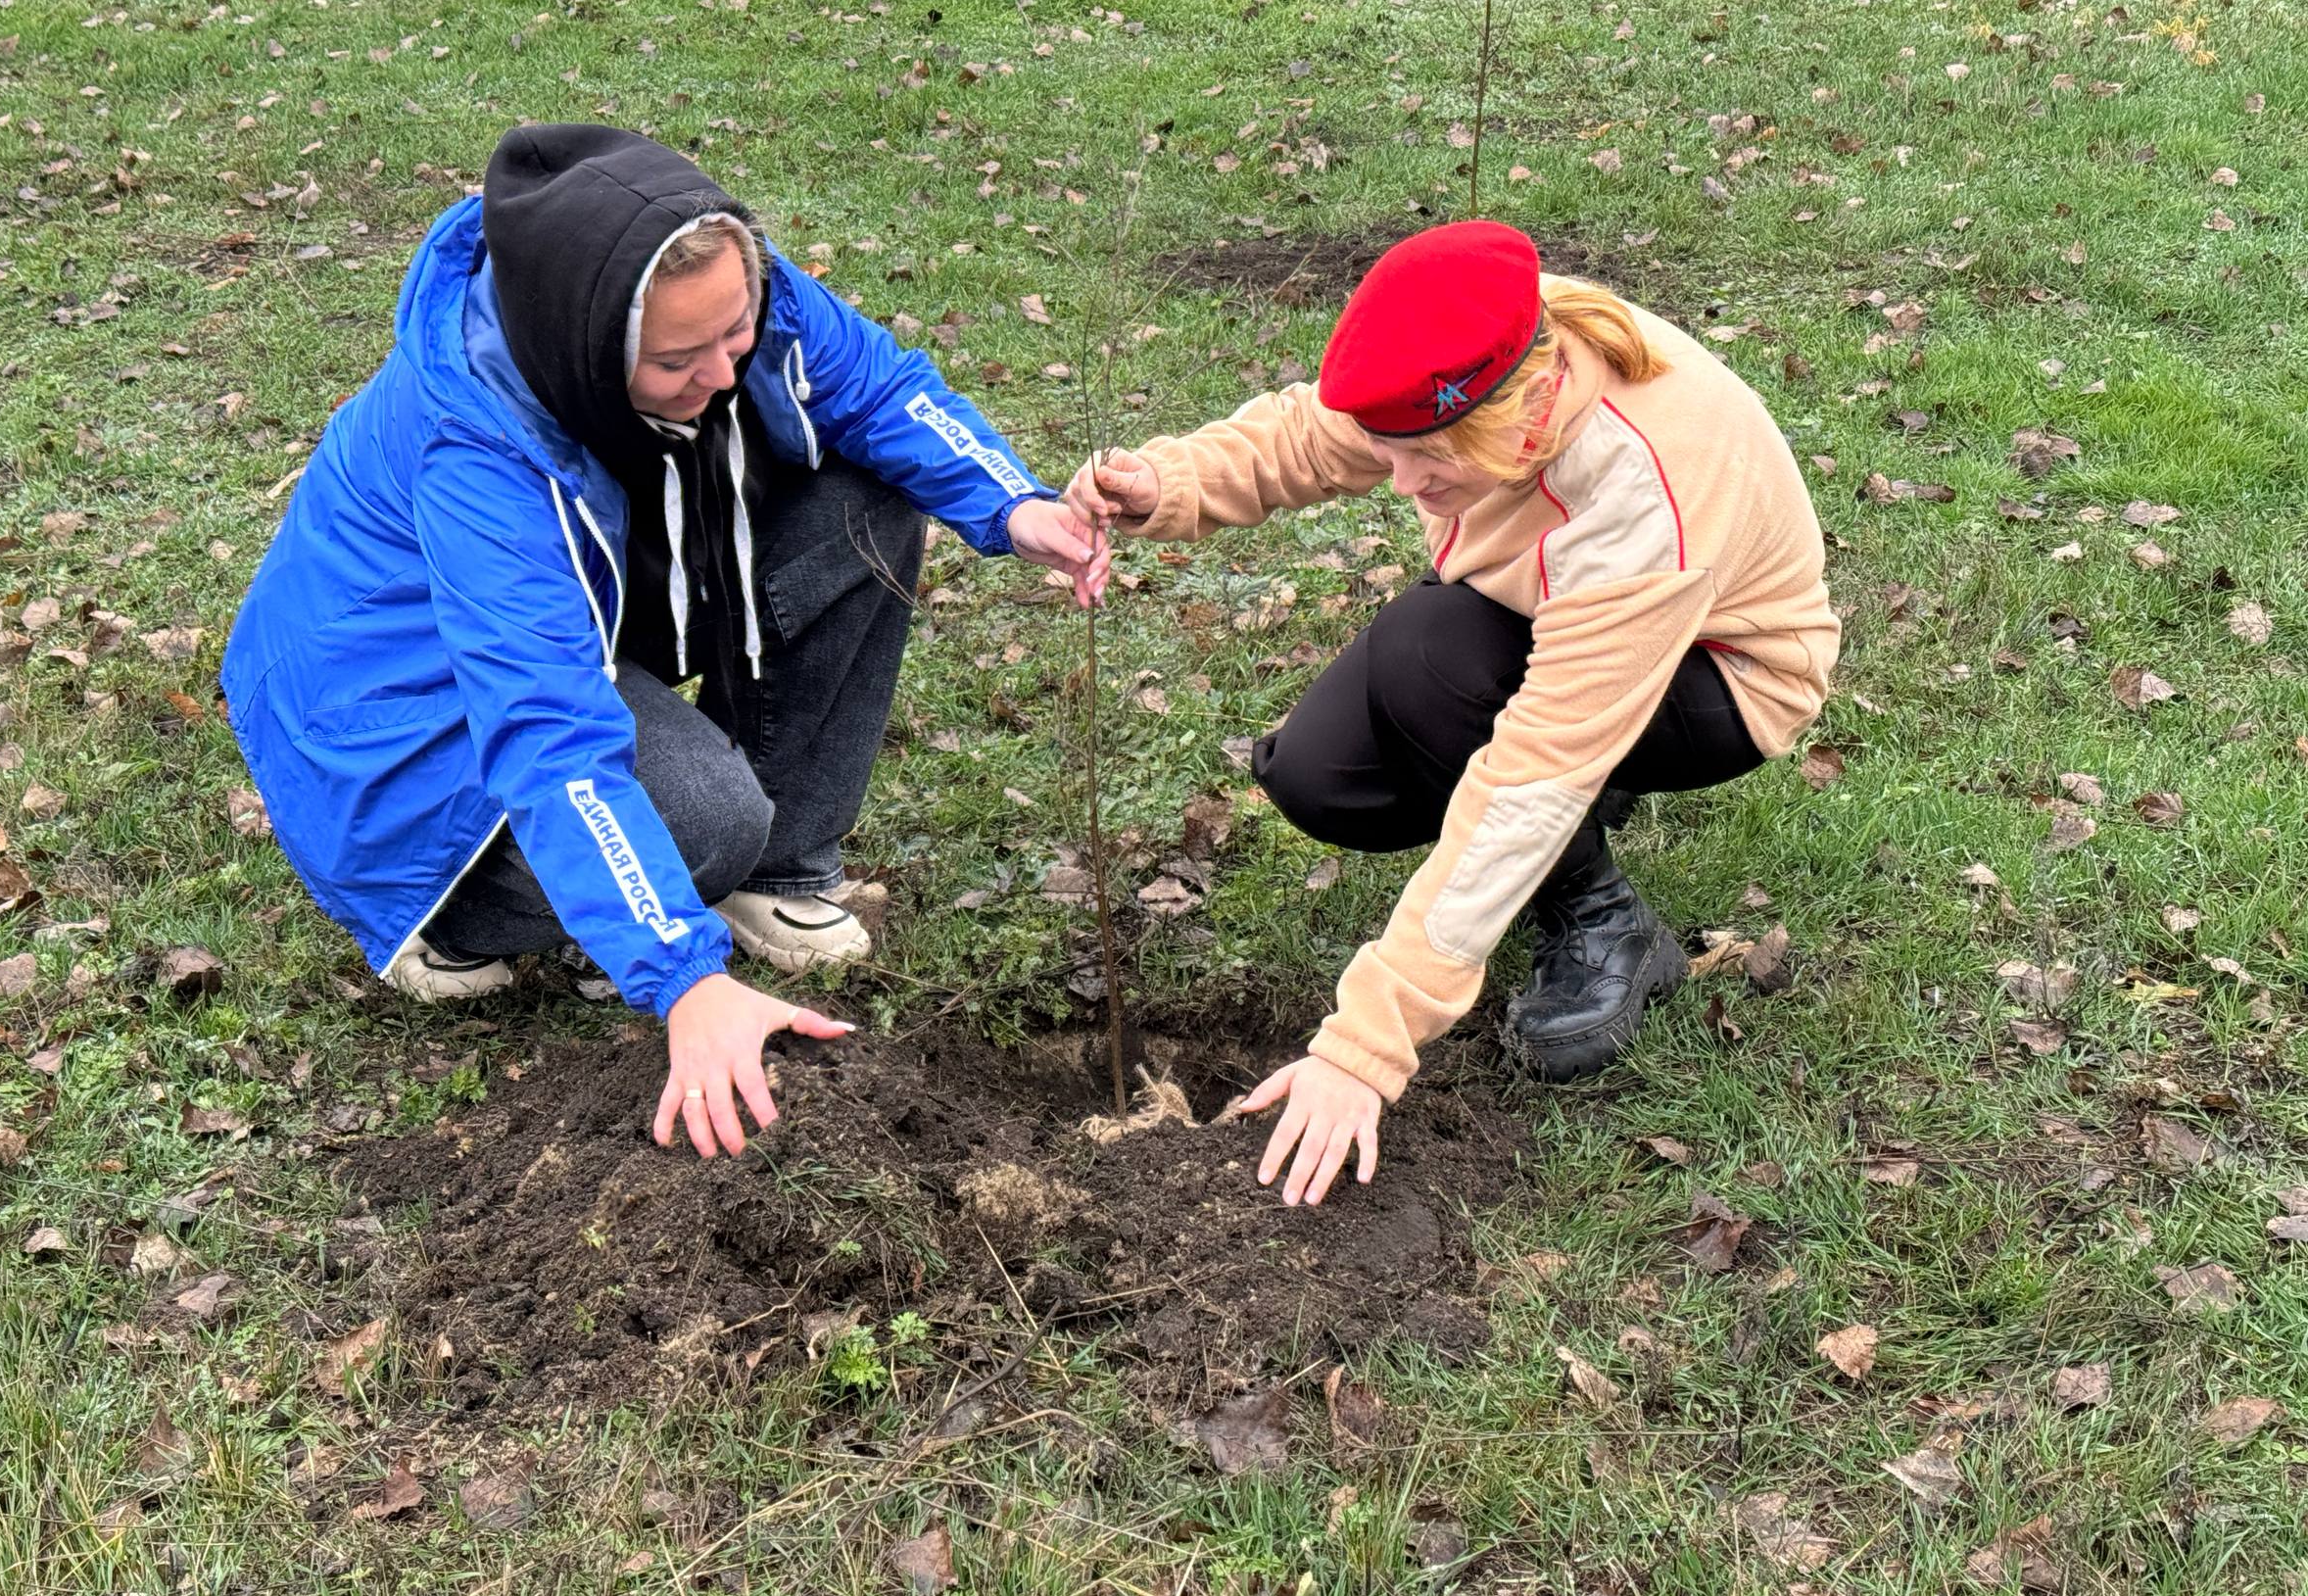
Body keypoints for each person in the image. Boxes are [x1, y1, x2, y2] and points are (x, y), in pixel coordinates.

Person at [222, 125, 1102, 1158]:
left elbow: (871, 385)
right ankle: (453, 917)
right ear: (583, 341)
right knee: (699, 822)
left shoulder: (718, 283)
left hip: (572, 612)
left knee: (869, 503)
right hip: (392, 733)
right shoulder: (481, 457)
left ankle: (773, 873)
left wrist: (1015, 507)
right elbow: (547, 737)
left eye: (736, 334)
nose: (724, 375)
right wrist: (682, 979)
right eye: (678, 360)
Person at [1067, 221, 1838, 1205]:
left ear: (1524, 421)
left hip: (1716, 675)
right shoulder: (1476, 349)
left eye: (1429, 466)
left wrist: (1364, 1047)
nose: (1398, 485)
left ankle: (1599, 920)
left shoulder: (1640, 491)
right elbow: (1321, 433)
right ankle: (1543, 845)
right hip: (1537, 624)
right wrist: (1173, 482)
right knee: (1321, 779)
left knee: (1428, 660)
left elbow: (1535, 769)